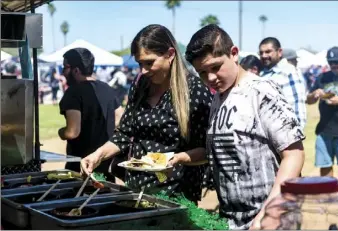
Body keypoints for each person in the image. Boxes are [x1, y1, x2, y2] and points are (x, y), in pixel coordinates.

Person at [185, 24, 305, 230]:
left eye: (215, 67)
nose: (210, 78)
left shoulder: (262, 91)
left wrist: (271, 210)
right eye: (202, 72)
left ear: (234, 54)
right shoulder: (219, 96)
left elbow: (294, 154)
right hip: (232, 220)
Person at [80, 24, 213, 202]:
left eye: (149, 63)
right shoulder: (140, 85)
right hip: (136, 189)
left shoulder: (196, 91)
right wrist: (97, 155)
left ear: (170, 54)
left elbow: (208, 149)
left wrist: (176, 159)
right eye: (140, 63)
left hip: (176, 196)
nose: (143, 70)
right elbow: (124, 134)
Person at [58, 48, 124, 180]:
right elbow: (120, 120)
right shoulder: (107, 89)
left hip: (81, 168)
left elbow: (72, 132)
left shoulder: (73, 92)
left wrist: (61, 132)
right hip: (105, 166)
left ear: (76, 70)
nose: (63, 72)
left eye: (65, 67)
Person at [306, 46, 338, 186]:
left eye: (337, 62)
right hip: (324, 130)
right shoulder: (323, 76)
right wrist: (314, 94)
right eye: (331, 62)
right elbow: (309, 101)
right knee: (325, 166)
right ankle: (330, 197)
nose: (333, 65)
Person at [259, 37, 307, 130]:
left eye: (268, 51)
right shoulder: (263, 73)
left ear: (279, 52)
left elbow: (297, 107)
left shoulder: (289, 72)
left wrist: (295, 134)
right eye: (261, 53)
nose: (264, 55)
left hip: (284, 135)